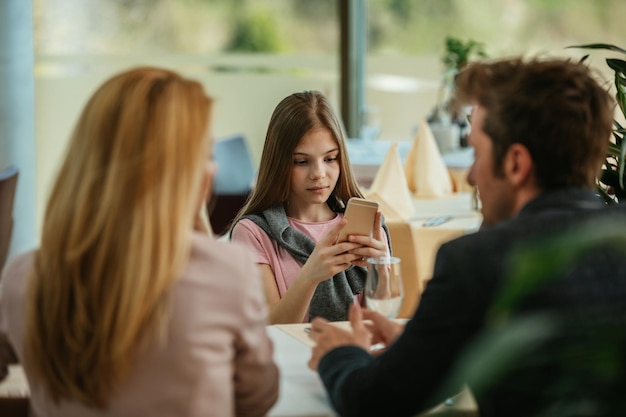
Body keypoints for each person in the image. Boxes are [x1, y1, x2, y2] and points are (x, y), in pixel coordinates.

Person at [307, 57, 626, 417]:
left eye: (477, 153)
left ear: (516, 164)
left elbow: (374, 404)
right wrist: (425, 353)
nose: (472, 176)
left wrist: (341, 354)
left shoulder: (476, 260)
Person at [0, 67, 279, 417]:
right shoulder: (228, 274)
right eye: (205, 155)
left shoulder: (23, 277)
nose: (214, 169)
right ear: (179, 173)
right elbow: (258, 398)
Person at [230, 91, 391, 324]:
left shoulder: (366, 225)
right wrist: (310, 275)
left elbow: (382, 321)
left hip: (357, 355)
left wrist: (382, 271)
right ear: (280, 163)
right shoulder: (253, 233)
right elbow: (269, 331)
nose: (318, 174)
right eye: (301, 162)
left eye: (330, 159)